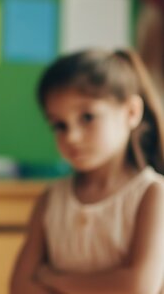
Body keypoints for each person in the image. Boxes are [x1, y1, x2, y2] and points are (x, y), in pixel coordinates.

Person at [11, 49, 164, 293]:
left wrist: (56, 279)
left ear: (132, 112)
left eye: (87, 117)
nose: (71, 136)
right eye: (60, 125)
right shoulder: (51, 199)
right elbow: (20, 286)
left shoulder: (152, 194)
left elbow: (137, 287)